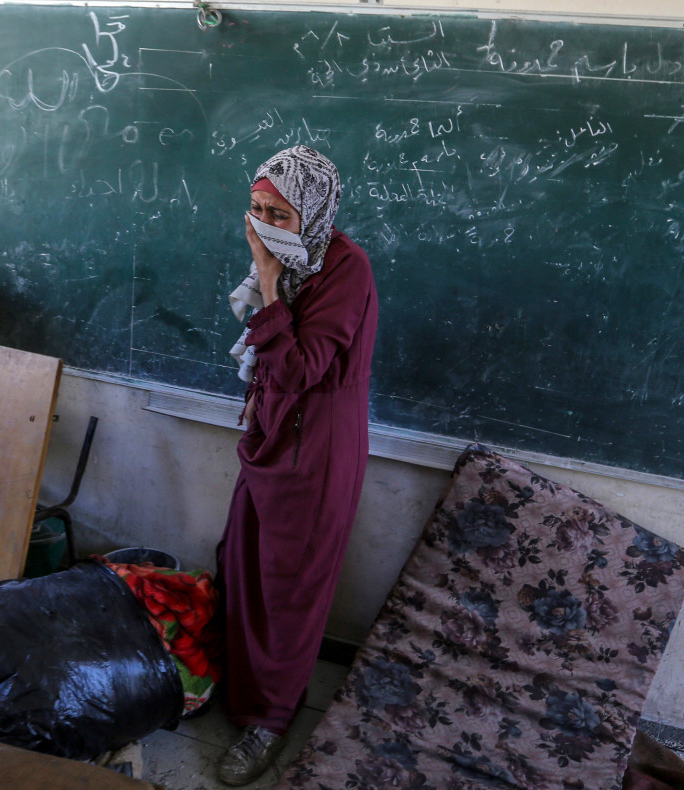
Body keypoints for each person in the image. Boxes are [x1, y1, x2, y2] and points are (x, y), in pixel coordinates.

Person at [215, 145, 378, 786]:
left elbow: (298, 368)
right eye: (255, 210)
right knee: (242, 564)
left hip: (317, 450)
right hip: (272, 435)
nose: (262, 225)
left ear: (311, 213)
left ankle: (269, 720)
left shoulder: (345, 268)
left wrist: (268, 280)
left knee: (290, 589)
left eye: (277, 214)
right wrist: (271, 269)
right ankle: (232, 688)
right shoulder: (291, 255)